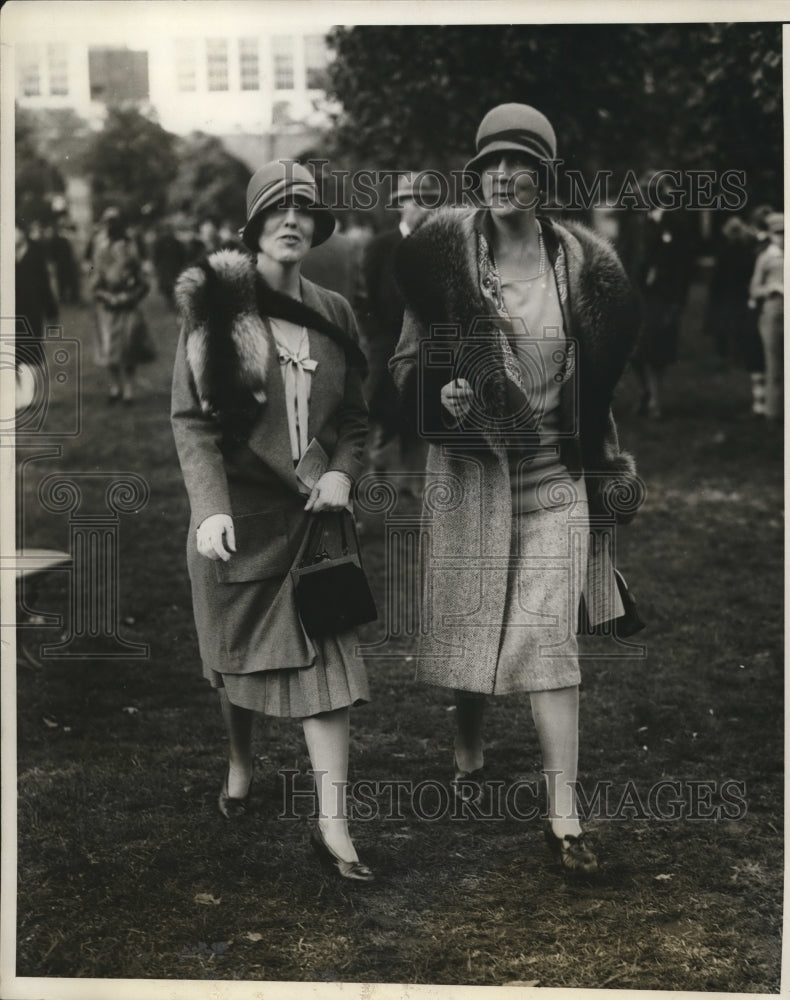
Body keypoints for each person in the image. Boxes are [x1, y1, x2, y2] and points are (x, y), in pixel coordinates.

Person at [389, 103, 642, 874]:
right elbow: (405, 371)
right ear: (477, 175)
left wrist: (603, 463)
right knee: (478, 614)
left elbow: (593, 378)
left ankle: (563, 816)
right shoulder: (442, 261)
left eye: (519, 165)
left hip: (554, 468)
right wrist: (443, 396)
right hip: (475, 469)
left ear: (543, 178)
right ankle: (467, 734)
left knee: (548, 634)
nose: (503, 177)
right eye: (491, 165)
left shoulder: (584, 267)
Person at [171, 160, 374, 881]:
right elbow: (192, 424)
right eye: (276, 210)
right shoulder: (218, 309)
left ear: (318, 227)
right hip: (240, 520)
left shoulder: (335, 310)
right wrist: (210, 508)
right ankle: (240, 761)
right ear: (254, 227)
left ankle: (333, 825)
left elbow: (356, 415)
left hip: (316, 525)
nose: (292, 221)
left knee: (329, 669)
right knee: (236, 668)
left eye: (304, 211)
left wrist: (345, 472)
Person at [361, 173, 438, 492]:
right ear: (401, 204)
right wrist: (378, 338)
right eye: (417, 201)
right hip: (386, 346)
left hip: (424, 347)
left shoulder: (435, 245)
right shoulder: (382, 245)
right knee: (383, 409)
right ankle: (377, 468)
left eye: (429, 202)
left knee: (418, 411)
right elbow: (366, 295)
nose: (424, 209)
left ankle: (413, 480)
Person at [629, 173, 695, 419]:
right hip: (638, 294)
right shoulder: (641, 222)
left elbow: (684, 265)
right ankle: (646, 391)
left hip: (664, 297)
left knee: (655, 350)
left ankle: (656, 400)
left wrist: (677, 302)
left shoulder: (676, 223)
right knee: (632, 350)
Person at [91, 211, 150, 405]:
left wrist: (127, 297)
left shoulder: (131, 253)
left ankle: (128, 390)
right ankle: (116, 388)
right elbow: (96, 283)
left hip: (127, 308)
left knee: (128, 349)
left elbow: (143, 283)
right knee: (109, 351)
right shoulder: (101, 252)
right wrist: (107, 297)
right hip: (108, 308)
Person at [15, 221, 59, 407]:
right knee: (11, 351)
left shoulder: (35, 254)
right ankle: (16, 393)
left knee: (30, 351)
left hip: (32, 310)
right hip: (11, 310)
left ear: (23, 233)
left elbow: (45, 285)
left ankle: (28, 394)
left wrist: (51, 311)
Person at [749, 211, 783, 422]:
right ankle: (773, 412)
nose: (783, 237)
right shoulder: (766, 257)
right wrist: (772, 287)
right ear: (771, 234)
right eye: (779, 233)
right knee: (774, 366)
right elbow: (754, 290)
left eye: (786, 233)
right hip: (774, 313)